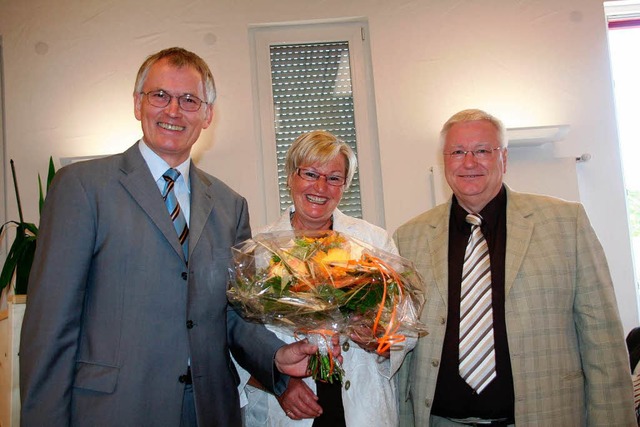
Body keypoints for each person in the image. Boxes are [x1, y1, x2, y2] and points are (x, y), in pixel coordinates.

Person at [19, 47, 339, 427]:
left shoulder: (229, 205)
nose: (173, 111)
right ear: (138, 104)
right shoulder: (83, 188)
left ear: (207, 115)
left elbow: (236, 313)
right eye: (160, 96)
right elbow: (50, 326)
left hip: (209, 409)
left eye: (189, 100)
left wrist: (275, 357)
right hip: (113, 409)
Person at [394, 108, 636, 426]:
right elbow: (400, 347)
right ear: (444, 161)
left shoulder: (566, 223)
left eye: (482, 150)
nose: (469, 162)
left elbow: (602, 341)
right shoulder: (408, 238)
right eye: (457, 152)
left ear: (504, 158)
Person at [240, 130, 409, 426]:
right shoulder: (258, 250)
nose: (321, 186)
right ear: (291, 177)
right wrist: (278, 382)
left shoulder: (374, 242)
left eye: (334, 178)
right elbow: (237, 339)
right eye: (310, 173)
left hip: (361, 407)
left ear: (345, 186)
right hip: (289, 409)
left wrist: (378, 340)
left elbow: (407, 328)